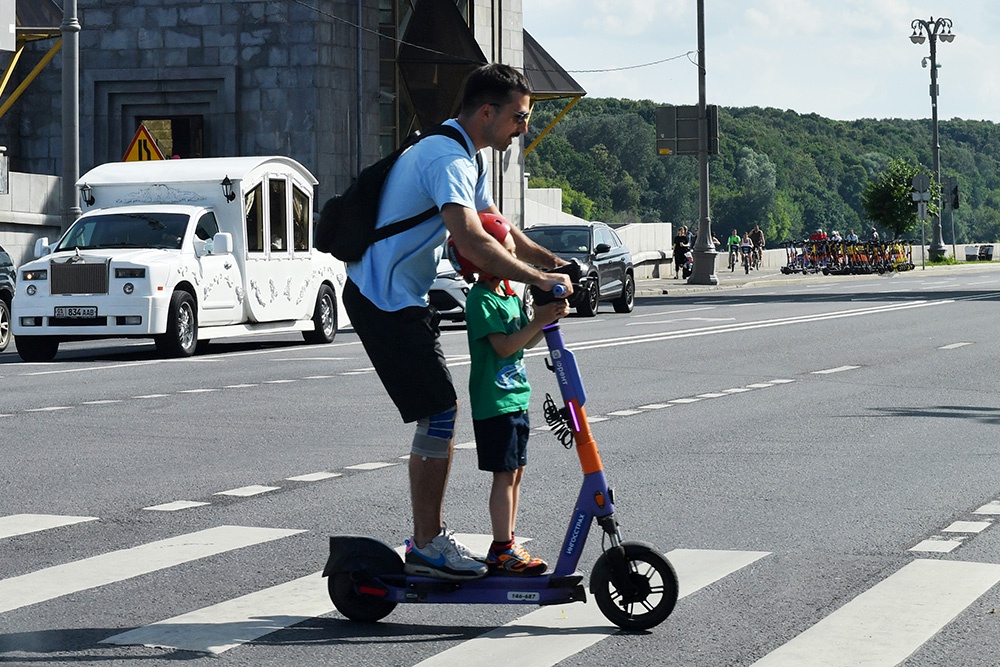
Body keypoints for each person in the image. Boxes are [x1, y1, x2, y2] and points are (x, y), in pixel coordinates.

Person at [342, 63, 571, 581]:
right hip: (381, 297)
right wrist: (538, 279)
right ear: (487, 112)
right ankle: (427, 545)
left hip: (403, 296)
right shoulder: (447, 158)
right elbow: (471, 240)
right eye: (519, 117)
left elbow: (499, 227)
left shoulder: (467, 154)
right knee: (439, 412)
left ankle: (429, 541)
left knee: (439, 411)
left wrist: (552, 261)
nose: (525, 127)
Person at [457, 213, 570, 576]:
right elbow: (504, 347)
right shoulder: (481, 300)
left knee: (516, 472)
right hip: (494, 402)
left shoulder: (506, 294)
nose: (513, 260)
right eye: (506, 254)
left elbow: (524, 342)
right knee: (504, 475)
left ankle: (507, 542)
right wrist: (537, 320)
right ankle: (502, 547)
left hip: (516, 397)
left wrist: (548, 318)